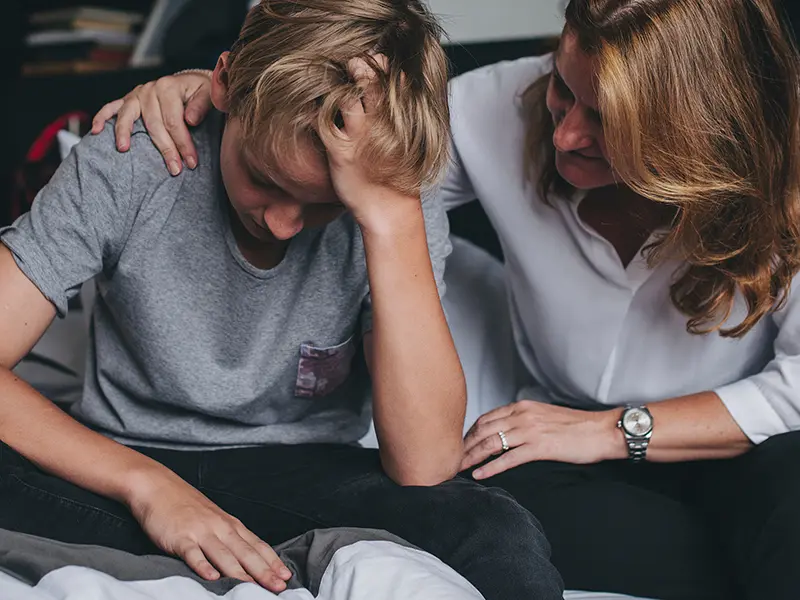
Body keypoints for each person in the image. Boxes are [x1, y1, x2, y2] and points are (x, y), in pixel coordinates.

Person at [105, 0, 800, 599]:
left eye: (609, 121)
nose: (565, 134)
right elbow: (350, 151)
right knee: (477, 514)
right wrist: (212, 93)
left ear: (700, 131)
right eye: (564, 87)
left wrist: (611, 429)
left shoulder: (784, 177)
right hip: (555, 453)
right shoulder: (495, 108)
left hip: (746, 450)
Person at [0, 2, 565, 599]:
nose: (284, 224)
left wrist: (388, 217)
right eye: (265, 179)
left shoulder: (392, 201)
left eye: (324, 204)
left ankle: (256, 560)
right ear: (223, 84)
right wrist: (147, 487)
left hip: (301, 475)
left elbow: (423, 465)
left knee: (493, 528)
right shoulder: (136, 160)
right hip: (124, 460)